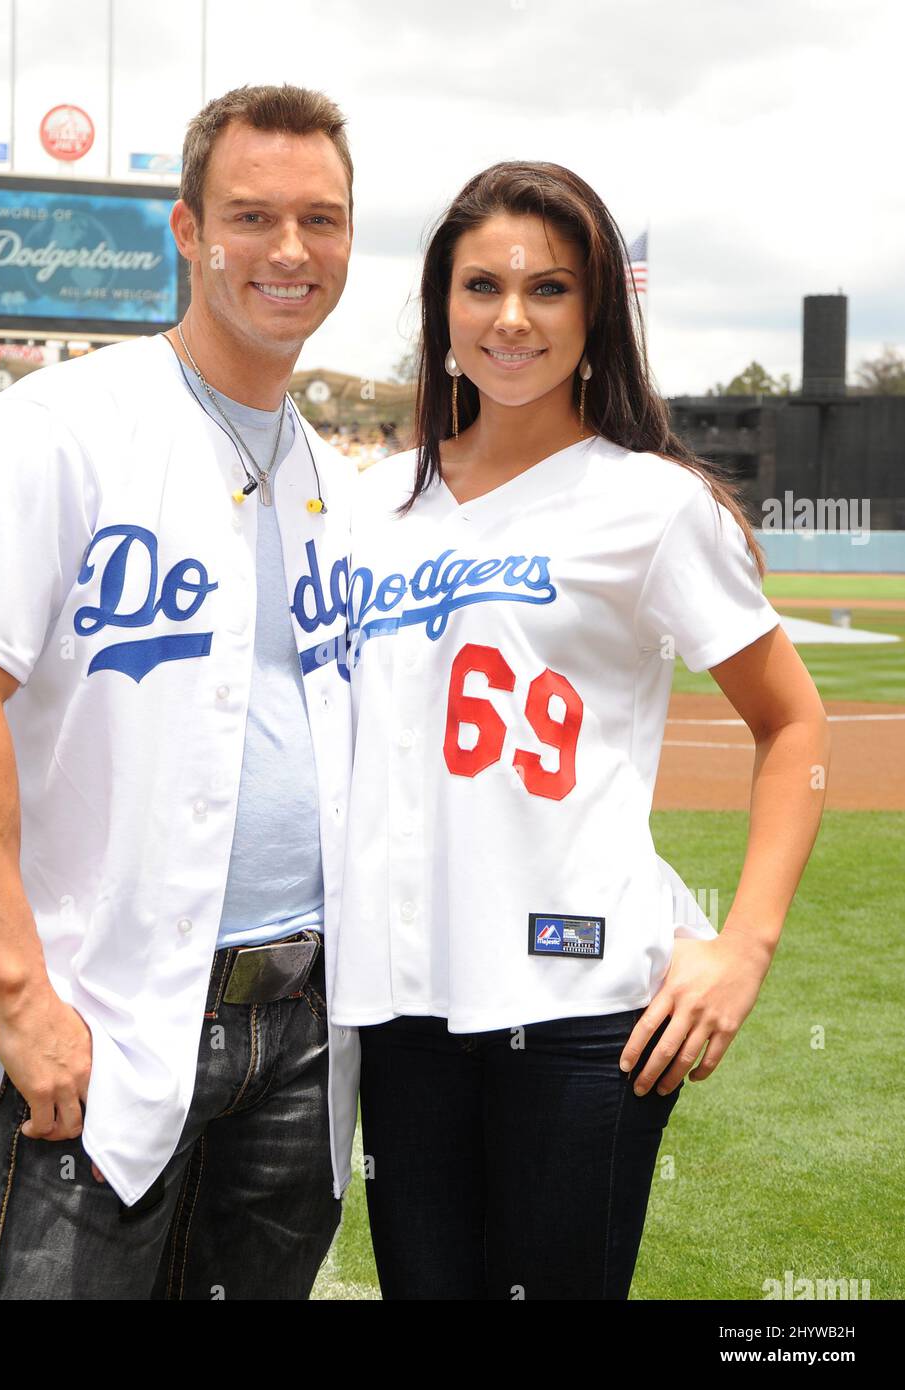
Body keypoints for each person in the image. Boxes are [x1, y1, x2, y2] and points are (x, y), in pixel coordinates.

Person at [0, 83, 360, 1300]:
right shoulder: (59, 425)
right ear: (188, 232)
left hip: (305, 1040)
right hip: (108, 1021)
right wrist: (21, 1000)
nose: (290, 251)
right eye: (252, 216)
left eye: (323, 218)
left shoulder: (335, 478)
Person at [329, 161, 831, 1300]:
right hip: (401, 1005)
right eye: (480, 285)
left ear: (594, 312)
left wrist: (739, 950)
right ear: (439, 307)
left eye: (548, 288)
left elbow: (792, 724)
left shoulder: (651, 505)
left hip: (579, 1002)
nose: (511, 317)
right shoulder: (368, 507)